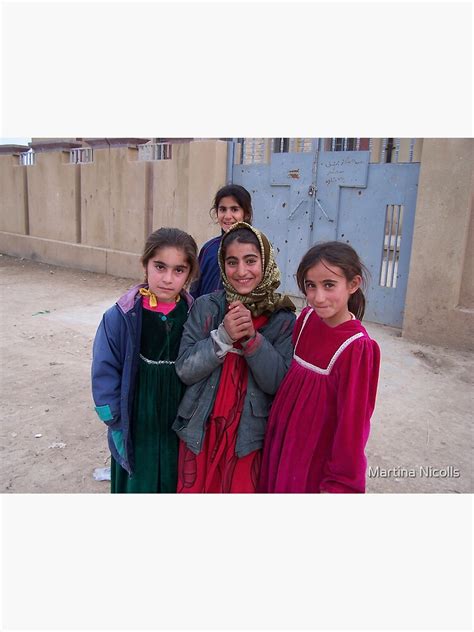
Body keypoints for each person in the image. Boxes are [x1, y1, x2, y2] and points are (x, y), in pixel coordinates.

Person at [173, 222, 296, 493]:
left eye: (251, 260)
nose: (241, 272)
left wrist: (252, 339)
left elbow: (278, 383)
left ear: (265, 262)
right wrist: (223, 338)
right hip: (202, 432)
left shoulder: (282, 318)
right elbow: (184, 369)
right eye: (232, 262)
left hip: (247, 439)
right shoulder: (206, 307)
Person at [258, 242, 380, 493]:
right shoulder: (305, 320)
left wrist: (340, 484)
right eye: (310, 286)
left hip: (312, 456)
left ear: (353, 284)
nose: (317, 297)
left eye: (329, 285)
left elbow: (353, 427)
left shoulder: (356, 347)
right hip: (282, 442)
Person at [91, 227, 199, 493]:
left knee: (175, 480)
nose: (168, 278)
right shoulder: (121, 316)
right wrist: (115, 419)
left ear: (189, 273)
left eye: (179, 270)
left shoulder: (196, 314)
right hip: (137, 415)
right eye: (160, 267)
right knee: (139, 482)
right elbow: (105, 370)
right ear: (145, 264)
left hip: (179, 415)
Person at [190, 184, 253, 299]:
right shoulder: (209, 249)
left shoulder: (257, 248)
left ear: (246, 214)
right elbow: (195, 288)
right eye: (223, 209)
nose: (228, 216)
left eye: (234, 209)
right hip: (206, 313)